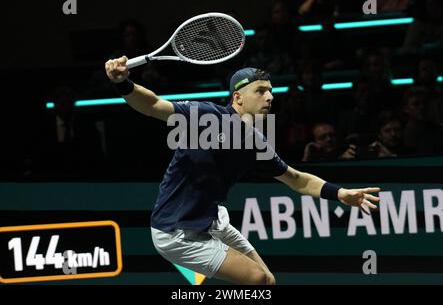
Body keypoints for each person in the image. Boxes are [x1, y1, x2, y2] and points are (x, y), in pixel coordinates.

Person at [105, 56, 381, 285]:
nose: (270, 97)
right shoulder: (206, 116)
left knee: (268, 283)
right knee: (256, 280)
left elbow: (295, 179)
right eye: (260, 91)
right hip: (176, 231)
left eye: (271, 90)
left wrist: (341, 193)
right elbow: (153, 105)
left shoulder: (255, 143)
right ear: (237, 97)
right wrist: (123, 83)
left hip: (211, 221)